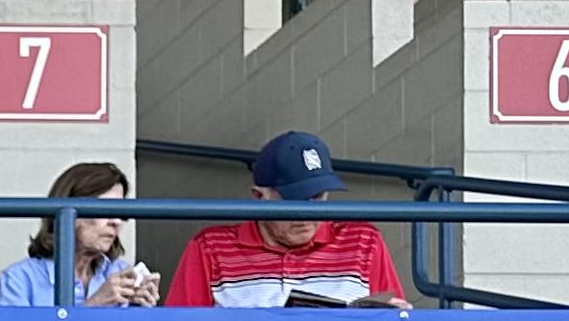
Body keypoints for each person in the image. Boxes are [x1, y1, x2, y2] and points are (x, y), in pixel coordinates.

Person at [163, 131, 410, 310]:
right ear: (260, 197)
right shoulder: (210, 248)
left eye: (317, 198)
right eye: (294, 200)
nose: (308, 213)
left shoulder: (364, 241)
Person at [0, 160, 162, 309]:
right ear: (70, 214)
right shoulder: (20, 279)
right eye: (105, 209)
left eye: (120, 211)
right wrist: (94, 305)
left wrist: (142, 313)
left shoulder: (122, 272)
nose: (116, 221)